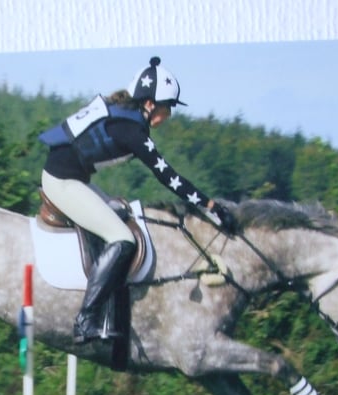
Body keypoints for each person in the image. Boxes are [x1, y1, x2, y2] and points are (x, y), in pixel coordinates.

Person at [39, 56, 236, 344]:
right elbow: (169, 177)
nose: (169, 114)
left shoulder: (121, 112)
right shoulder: (132, 131)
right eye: (167, 107)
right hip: (63, 183)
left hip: (71, 178)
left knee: (121, 213)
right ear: (149, 104)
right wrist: (211, 208)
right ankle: (86, 319)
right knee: (123, 239)